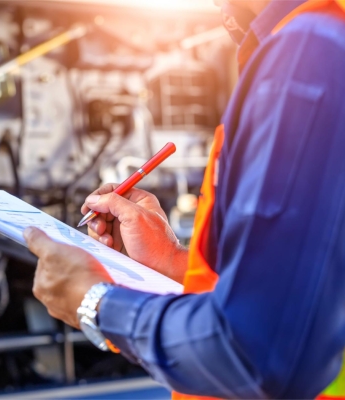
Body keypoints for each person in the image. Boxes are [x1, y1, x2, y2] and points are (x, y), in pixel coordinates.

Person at [23, 0, 345, 397]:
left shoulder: (310, 51)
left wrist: (96, 304)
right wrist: (172, 265)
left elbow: (257, 353)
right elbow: (311, 285)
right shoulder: (315, 41)